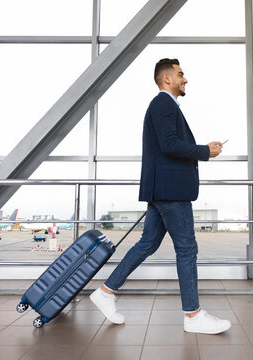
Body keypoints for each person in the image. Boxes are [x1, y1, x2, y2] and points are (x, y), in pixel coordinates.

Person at [90, 58, 231, 334]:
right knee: (187, 249)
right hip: (171, 191)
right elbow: (169, 144)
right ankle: (193, 316)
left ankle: (106, 292)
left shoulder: (164, 106)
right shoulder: (164, 104)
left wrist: (201, 150)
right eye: (181, 74)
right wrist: (204, 151)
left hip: (162, 189)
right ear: (167, 78)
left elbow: (167, 144)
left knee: (147, 244)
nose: (185, 79)